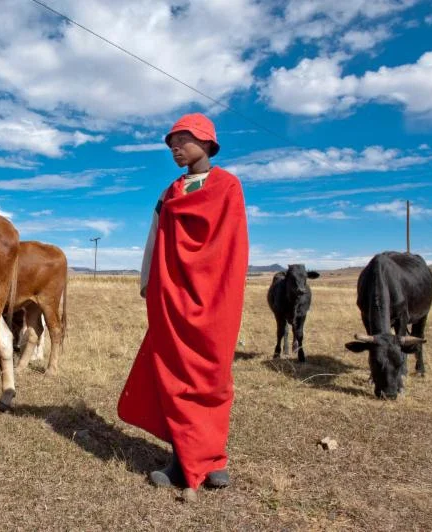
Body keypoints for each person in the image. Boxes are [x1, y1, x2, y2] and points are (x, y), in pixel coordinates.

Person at [118, 113, 249, 490]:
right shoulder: (169, 193)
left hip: (215, 298)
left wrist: (224, 290)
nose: (174, 147)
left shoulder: (228, 186)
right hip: (172, 297)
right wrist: (148, 282)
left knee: (212, 375)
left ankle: (213, 457)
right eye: (170, 143)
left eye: (183, 139)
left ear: (207, 142)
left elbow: (233, 244)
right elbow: (155, 239)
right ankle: (181, 458)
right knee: (175, 375)